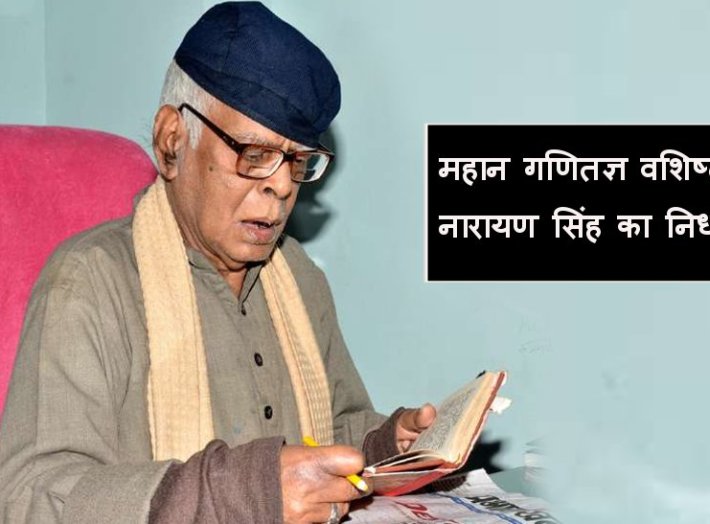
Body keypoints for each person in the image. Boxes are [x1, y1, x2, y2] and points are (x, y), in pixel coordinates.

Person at [0, 2, 436, 523]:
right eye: (254, 154)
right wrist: (233, 494)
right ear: (172, 142)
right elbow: (32, 495)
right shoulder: (90, 282)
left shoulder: (298, 276)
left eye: (297, 161)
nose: (281, 186)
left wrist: (390, 446)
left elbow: (332, 427)